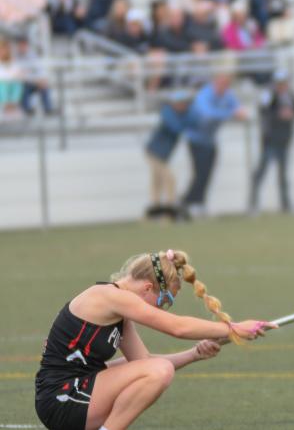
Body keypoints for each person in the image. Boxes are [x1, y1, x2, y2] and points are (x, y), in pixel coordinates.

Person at [34, 248, 273, 430]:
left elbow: (142, 362)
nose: (163, 309)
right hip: (61, 398)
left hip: (78, 392)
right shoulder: (110, 296)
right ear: (147, 288)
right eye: (163, 302)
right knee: (159, 370)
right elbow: (177, 327)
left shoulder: (119, 312)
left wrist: (195, 354)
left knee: (153, 368)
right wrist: (232, 328)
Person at [181, 69, 247, 218]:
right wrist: (231, 114)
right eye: (222, 83)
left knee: (208, 174)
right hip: (196, 140)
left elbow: (237, 107)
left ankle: (200, 203)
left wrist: (239, 112)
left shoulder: (227, 95)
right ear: (215, 82)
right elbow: (207, 114)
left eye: (227, 84)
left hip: (210, 140)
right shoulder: (205, 94)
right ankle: (186, 202)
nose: (224, 87)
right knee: (199, 174)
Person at [249, 71, 294, 214]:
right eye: (279, 83)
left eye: (284, 83)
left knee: (283, 173)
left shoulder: (292, 96)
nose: (282, 86)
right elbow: (263, 111)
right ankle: (253, 203)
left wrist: (292, 113)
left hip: (285, 139)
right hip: (270, 139)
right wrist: (279, 114)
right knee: (261, 171)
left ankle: (285, 204)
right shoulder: (269, 95)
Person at [145, 91, 194, 220]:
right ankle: (169, 212)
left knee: (157, 181)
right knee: (169, 179)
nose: (183, 106)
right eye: (180, 103)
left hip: (163, 154)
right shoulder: (168, 113)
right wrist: (187, 120)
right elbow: (177, 127)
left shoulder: (182, 114)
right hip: (154, 153)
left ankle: (154, 212)